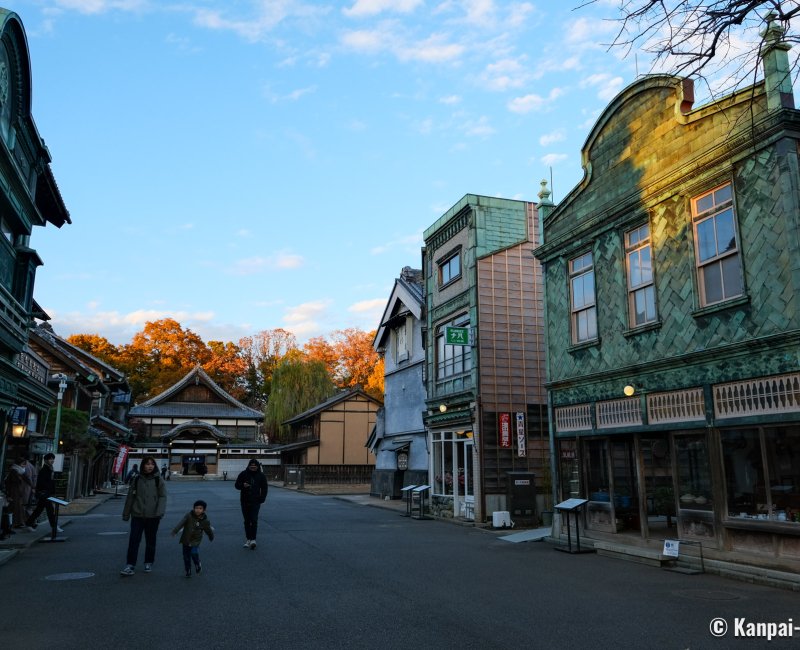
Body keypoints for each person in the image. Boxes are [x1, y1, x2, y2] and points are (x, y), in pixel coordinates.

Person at [120, 456, 167, 576]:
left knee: (150, 540)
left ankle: (148, 562)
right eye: (147, 464)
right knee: (133, 540)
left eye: (152, 464)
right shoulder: (137, 479)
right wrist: (126, 513)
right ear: (143, 465)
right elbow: (131, 496)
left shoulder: (158, 479)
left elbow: (162, 496)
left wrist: (159, 511)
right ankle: (130, 564)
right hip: (137, 514)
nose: (150, 466)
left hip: (153, 515)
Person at [171, 499, 214, 578]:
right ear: (194, 508)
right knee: (186, 557)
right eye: (196, 508)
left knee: (194, 554)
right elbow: (181, 523)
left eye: (200, 508)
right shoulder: (189, 515)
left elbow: (208, 530)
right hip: (186, 539)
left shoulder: (205, 521)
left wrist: (211, 537)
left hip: (195, 541)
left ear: (204, 510)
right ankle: (188, 570)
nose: (198, 510)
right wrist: (175, 531)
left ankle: (197, 563)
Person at [234, 459, 268, 549]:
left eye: (255, 466)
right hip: (244, 500)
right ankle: (248, 539)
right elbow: (236, 485)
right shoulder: (243, 474)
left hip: (256, 501)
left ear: (257, 466)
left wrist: (262, 499)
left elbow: (265, 488)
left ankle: (253, 539)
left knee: (254, 520)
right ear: (248, 466)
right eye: (251, 466)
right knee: (246, 521)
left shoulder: (261, 476)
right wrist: (243, 485)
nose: (253, 467)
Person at [25, 453, 60, 533]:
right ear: (46, 460)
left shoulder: (50, 469)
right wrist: (46, 491)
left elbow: (51, 482)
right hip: (44, 493)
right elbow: (42, 483)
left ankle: (28, 523)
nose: (52, 460)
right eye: (50, 459)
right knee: (50, 510)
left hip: (46, 493)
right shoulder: (44, 470)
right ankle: (54, 527)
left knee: (39, 510)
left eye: (53, 459)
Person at [5, 458, 31, 528]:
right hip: (14, 492)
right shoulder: (15, 471)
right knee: (15, 508)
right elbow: (14, 482)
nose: (24, 466)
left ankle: (17, 523)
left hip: (17, 492)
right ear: (19, 464)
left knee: (17, 507)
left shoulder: (19, 471)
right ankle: (14, 524)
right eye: (23, 464)